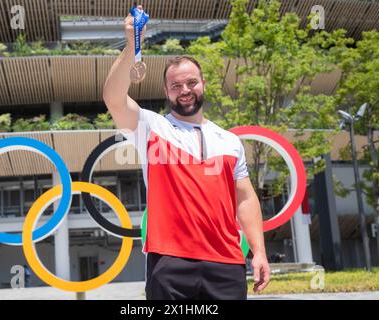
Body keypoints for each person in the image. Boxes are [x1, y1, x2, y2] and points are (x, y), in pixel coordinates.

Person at [103, 7, 270, 300]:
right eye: (176, 85)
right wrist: (132, 44)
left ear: (203, 84)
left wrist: (259, 251)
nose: (185, 90)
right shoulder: (150, 127)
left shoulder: (230, 141)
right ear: (167, 92)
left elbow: (245, 198)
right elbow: (113, 98)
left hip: (227, 263)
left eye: (191, 82)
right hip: (169, 263)